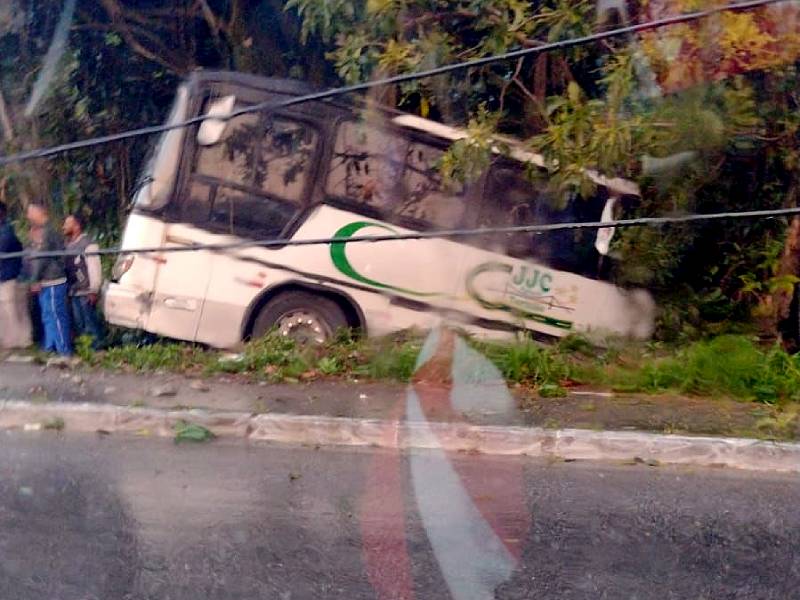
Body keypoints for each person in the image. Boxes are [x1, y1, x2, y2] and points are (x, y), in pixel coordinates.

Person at [26, 203, 72, 355]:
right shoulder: (41, 232)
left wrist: (34, 279)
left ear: (41, 212)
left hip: (54, 279)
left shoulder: (49, 232)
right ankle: (51, 346)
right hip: (45, 281)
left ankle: (64, 350)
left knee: (56, 315)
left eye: (31, 213)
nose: (29, 217)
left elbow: (44, 257)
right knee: (47, 315)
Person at [63, 213, 103, 348]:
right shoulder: (68, 246)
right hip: (74, 290)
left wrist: (94, 289)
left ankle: (97, 348)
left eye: (67, 224)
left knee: (89, 321)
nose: (64, 227)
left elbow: (94, 268)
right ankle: (85, 348)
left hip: (86, 291)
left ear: (77, 226)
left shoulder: (88, 244)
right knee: (79, 322)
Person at [0, 202, 32, 349]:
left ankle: (17, 341)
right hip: (7, 276)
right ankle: (16, 341)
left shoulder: (6, 232)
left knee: (11, 310)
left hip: (9, 276)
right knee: (9, 310)